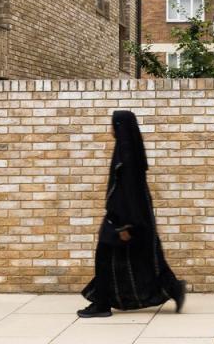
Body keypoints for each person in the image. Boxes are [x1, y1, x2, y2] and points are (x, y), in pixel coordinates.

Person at [78, 110, 186, 317]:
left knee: (105, 259)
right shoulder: (128, 151)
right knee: (142, 258)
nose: (110, 130)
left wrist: (122, 225)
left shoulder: (125, 156)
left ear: (120, 127)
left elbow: (126, 192)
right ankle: (174, 289)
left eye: (112, 125)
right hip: (131, 217)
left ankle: (101, 305)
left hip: (122, 218)